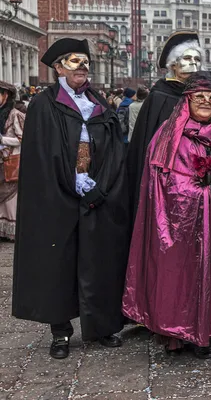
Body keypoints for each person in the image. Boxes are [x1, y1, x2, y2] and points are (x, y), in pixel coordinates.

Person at [12, 38, 129, 359]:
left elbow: (117, 150)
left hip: (98, 197)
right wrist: (73, 182)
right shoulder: (44, 105)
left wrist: (100, 187)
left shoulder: (101, 104)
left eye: (85, 62)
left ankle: (103, 326)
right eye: (75, 62)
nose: (83, 67)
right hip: (58, 197)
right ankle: (61, 332)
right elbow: (42, 154)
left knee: (100, 261)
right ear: (59, 68)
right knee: (58, 263)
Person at [123, 72, 211, 358]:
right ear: (187, 101)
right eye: (199, 97)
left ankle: (203, 334)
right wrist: (193, 189)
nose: (205, 102)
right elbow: (158, 179)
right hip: (176, 221)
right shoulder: (168, 134)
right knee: (177, 274)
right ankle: (174, 334)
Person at [127, 31, 203, 218]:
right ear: (174, 64)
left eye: (197, 59)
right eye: (187, 58)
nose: (193, 63)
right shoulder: (159, 97)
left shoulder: (204, 96)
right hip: (165, 180)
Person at [0, 82, 25, 240]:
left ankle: (12, 231)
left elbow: (23, 138)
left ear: (5, 95)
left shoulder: (15, 114)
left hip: (12, 161)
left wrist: (3, 140)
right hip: (1, 161)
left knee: (11, 199)